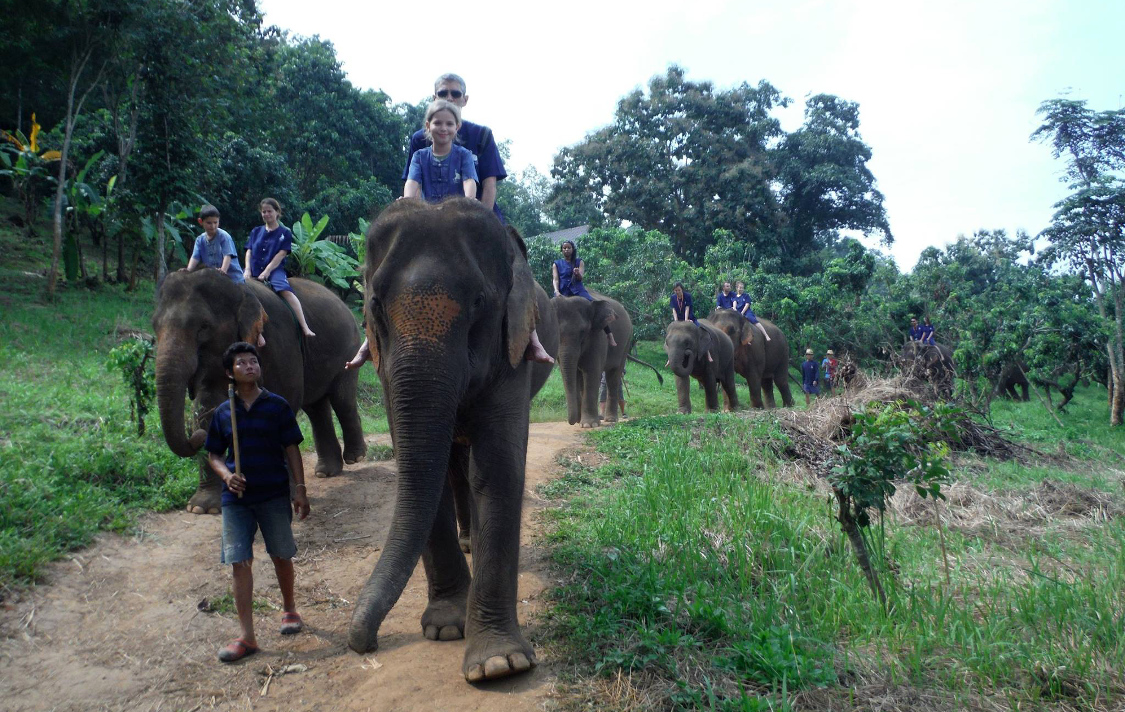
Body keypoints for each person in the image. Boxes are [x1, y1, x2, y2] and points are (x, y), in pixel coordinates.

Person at [205, 342, 311, 663]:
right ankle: (247, 637)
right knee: (239, 561)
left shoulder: (277, 406)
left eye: (254, 362)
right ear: (230, 373)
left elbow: (291, 448)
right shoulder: (224, 413)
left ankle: (290, 608)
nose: (250, 366)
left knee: (281, 553)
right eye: (242, 363)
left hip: (273, 493)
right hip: (236, 498)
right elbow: (213, 455)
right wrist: (226, 475)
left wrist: (300, 488)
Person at [403, 73, 507, 221]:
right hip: (430, 217)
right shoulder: (419, 140)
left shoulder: (482, 135)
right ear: (435, 99)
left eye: (456, 93)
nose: (450, 98)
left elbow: (489, 185)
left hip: (475, 215)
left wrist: (481, 220)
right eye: (443, 93)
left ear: (465, 100)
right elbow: (415, 184)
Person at [246, 198, 316, 338]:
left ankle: (304, 327)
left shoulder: (285, 233)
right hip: (254, 268)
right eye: (264, 212)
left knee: (286, 292)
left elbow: (281, 254)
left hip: (274, 270)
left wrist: (267, 272)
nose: (266, 214)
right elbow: (249, 251)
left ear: (277, 212)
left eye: (269, 211)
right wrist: (247, 269)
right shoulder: (256, 231)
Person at [404, 100, 478, 202]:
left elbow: (469, 180)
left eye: (449, 124)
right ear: (428, 126)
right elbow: (412, 181)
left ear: (457, 127)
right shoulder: (419, 156)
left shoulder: (465, 155)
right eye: (437, 123)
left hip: (457, 213)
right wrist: (407, 200)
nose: (443, 128)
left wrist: (470, 200)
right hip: (427, 214)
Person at [552, 240, 617, 347]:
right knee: (550, 309)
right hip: (563, 291)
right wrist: (557, 291)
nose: (566, 250)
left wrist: (577, 273)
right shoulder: (556, 264)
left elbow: (581, 277)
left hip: (578, 290)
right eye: (564, 248)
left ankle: (609, 334)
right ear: (561, 250)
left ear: (573, 250)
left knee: (595, 306)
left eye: (569, 248)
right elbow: (555, 279)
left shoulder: (579, 262)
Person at [183, 205, 244, 283]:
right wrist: (188, 270)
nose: (213, 226)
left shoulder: (224, 236)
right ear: (200, 221)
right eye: (209, 223)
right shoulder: (200, 240)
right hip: (214, 279)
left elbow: (227, 255)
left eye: (215, 222)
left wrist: (223, 270)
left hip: (233, 279)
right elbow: (195, 257)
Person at [670, 282, 712, 362]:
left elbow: (687, 308)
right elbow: (674, 310)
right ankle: (670, 358)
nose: (677, 292)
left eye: (678, 290)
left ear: (682, 289)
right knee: (671, 335)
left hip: (690, 318)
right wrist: (676, 321)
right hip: (678, 319)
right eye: (675, 291)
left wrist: (686, 320)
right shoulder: (673, 297)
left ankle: (708, 353)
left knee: (700, 331)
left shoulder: (687, 296)